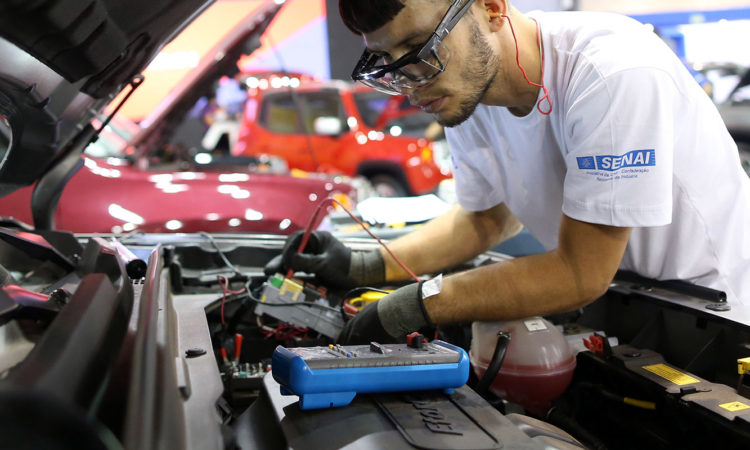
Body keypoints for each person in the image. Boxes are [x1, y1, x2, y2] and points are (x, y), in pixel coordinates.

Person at [268, 0, 750, 344]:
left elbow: (581, 271)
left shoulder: (611, 72)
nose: (412, 84)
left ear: (492, 8)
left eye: (420, 49)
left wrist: (415, 303)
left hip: (714, 320)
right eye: (389, 64)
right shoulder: (464, 90)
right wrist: (362, 266)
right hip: (623, 313)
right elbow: (484, 220)